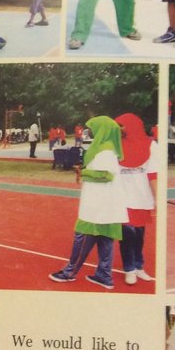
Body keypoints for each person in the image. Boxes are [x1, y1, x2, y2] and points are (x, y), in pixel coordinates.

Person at [49, 116, 127, 290]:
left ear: (102, 130)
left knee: (82, 235)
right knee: (105, 239)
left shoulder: (104, 151)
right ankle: (104, 275)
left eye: (94, 128)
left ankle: (70, 271)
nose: (90, 131)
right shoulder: (107, 149)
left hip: (98, 203)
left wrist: (84, 173)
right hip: (107, 204)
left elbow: (106, 175)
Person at [115, 113, 157, 285]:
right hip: (122, 197)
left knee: (139, 234)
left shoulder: (151, 145)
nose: (119, 130)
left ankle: (139, 266)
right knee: (127, 233)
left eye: (122, 126)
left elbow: (154, 174)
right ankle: (129, 269)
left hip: (142, 197)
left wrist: (157, 200)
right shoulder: (114, 146)